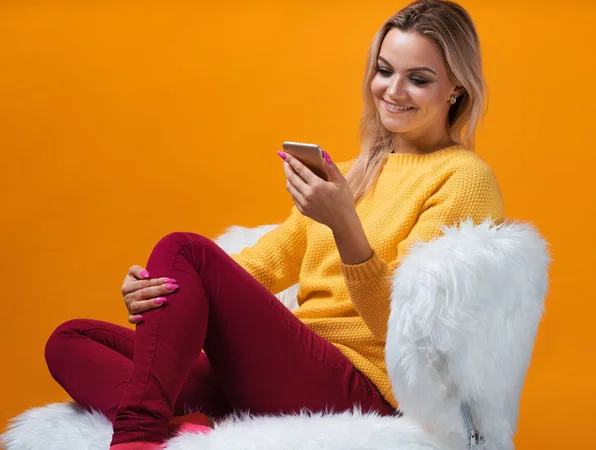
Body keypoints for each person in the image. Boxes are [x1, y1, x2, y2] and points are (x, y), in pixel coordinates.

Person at [44, 1, 504, 448]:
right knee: (71, 340)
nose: (392, 90)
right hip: (280, 375)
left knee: (185, 248)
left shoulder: (463, 179)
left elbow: (410, 332)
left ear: (456, 89)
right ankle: (184, 431)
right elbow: (257, 269)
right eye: (384, 70)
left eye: (418, 79)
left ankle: (137, 439)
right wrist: (160, 290)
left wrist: (345, 224)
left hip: (362, 390)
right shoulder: (351, 173)